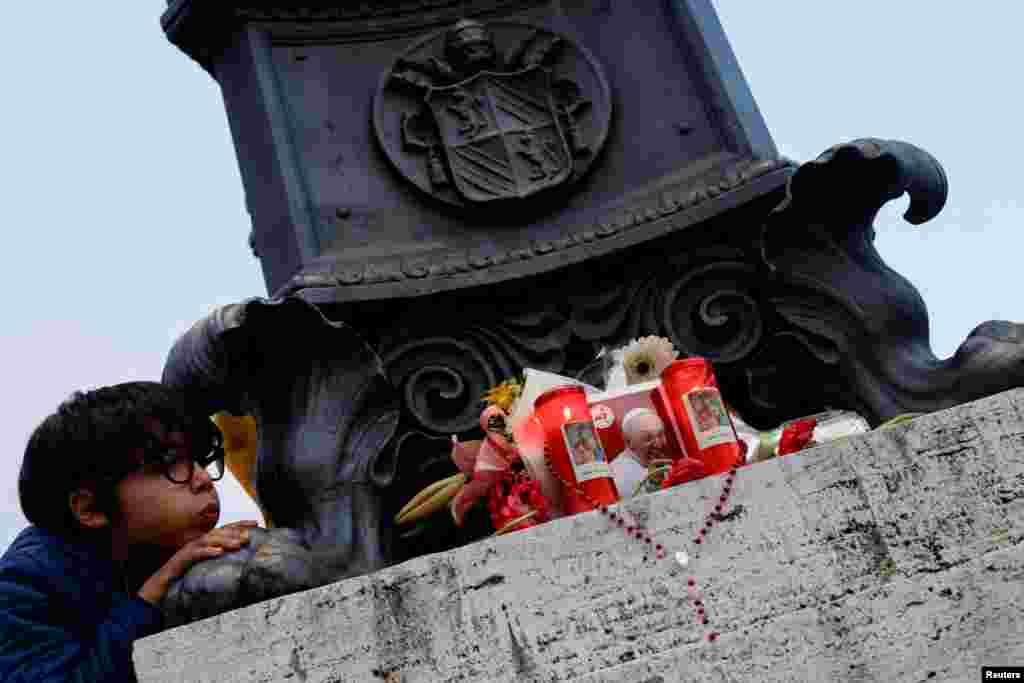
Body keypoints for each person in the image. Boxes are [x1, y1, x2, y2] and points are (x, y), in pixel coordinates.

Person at [0, 382, 260, 682]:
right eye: (170, 462)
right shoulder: (24, 588)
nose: (202, 480)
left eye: (199, 460)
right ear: (90, 510)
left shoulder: (166, 553)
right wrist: (149, 598)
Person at [611, 408, 668, 499]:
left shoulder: (662, 463)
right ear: (629, 442)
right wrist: (654, 484)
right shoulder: (618, 474)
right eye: (648, 438)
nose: (658, 444)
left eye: (660, 435)